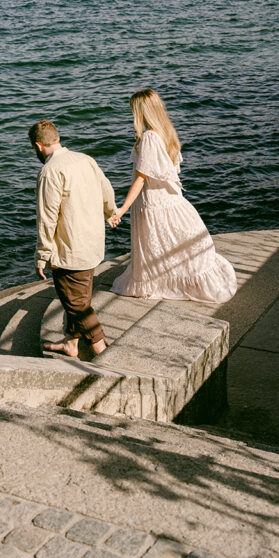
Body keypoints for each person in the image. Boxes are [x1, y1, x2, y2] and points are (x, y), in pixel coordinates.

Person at [108, 89, 237, 303]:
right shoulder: (165, 132)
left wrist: (122, 209)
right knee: (171, 248)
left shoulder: (149, 137)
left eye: (134, 111)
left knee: (156, 247)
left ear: (141, 112)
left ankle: (157, 283)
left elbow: (141, 178)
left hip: (154, 203)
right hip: (171, 201)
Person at [29, 119, 118, 358]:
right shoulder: (85, 160)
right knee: (78, 297)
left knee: (77, 304)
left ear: (38, 146)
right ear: (56, 139)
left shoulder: (49, 172)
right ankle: (71, 343)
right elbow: (106, 189)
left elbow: (47, 219)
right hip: (93, 243)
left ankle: (100, 349)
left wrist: (41, 257)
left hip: (70, 249)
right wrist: (111, 212)